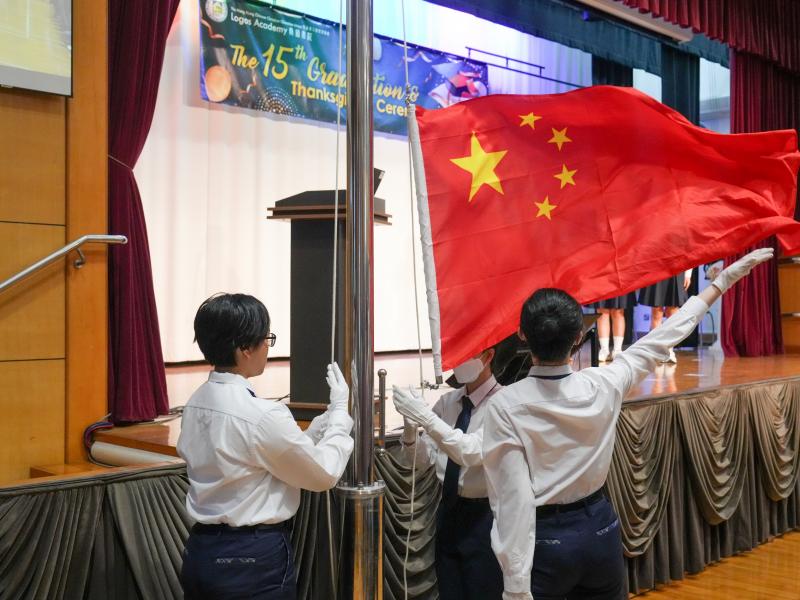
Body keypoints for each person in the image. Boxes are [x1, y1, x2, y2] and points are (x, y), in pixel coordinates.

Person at [481, 249, 772, 600]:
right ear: (578, 338)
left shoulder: (504, 406)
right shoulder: (604, 384)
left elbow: (514, 500)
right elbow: (662, 338)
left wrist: (515, 589)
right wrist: (719, 284)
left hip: (545, 540)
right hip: (601, 529)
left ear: (522, 335)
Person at [177, 293, 353, 600]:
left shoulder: (195, 402)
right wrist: (339, 415)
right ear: (245, 348)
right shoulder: (261, 415)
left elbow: (254, 463)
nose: (267, 348)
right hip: (251, 558)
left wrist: (313, 431)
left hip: (201, 550)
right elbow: (323, 474)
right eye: (266, 339)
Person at [392, 337, 518, 600]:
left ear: (488, 356)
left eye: (468, 353)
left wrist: (426, 418)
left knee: (483, 590)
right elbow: (421, 461)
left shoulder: (505, 403)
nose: (459, 361)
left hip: (486, 515)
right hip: (448, 511)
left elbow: (470, 452)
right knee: (449, 589)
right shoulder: (448, 402)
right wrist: (410, 430)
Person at [637, 269, 693, 363]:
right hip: (658, 266)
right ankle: (657, 350)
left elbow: (688, 253)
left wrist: (688, 274)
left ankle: (669, 349)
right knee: (657, 312)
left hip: (676, 267)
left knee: (672, 312)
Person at [587, 292, 637, 362]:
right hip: (601, 282)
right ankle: (604, 350)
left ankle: (617, 350)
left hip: (618, 283)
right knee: (602, 310)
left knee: (618, 310)